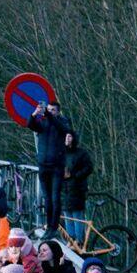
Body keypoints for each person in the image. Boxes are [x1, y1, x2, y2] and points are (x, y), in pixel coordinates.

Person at [25, 102, 70, 231]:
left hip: (56, 166)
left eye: (53, 110)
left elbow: (62, 128)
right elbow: (30, 125)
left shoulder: (63, 122)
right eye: (48, 110)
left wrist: (47, 115)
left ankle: (54, 227)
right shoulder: (43, 123)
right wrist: (34, 114)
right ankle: (49, 225)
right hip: (43, 165)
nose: (50, 112)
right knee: (47, 199)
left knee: (55, 198)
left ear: (58, 112)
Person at [59, 129, 95, 242]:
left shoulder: (81, 153)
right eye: (65, 137)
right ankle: (71, 241)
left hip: (77, 188)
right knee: (67, 215)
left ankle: (79, 241)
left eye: (69, 136)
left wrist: (75, 175)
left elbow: (89, 168)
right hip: (65, 188)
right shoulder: (61, 153)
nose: (67, 139)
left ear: (74, 138)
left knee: (77, 216)